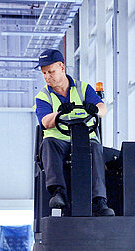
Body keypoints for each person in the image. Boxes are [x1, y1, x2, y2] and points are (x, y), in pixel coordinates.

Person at [33, 49, 114, 217]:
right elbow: (45, 122)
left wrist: (95, 109)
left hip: (85, 138)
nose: (48, 76)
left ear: (62, 67)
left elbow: (103, 109)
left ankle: (99, 200)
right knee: (48, 143)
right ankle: (58, 193)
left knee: (96, 149)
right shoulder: (43, 96)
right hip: (58, 140)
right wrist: (59, 113)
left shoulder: (83, 89)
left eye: (51, 72)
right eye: (44, 73)